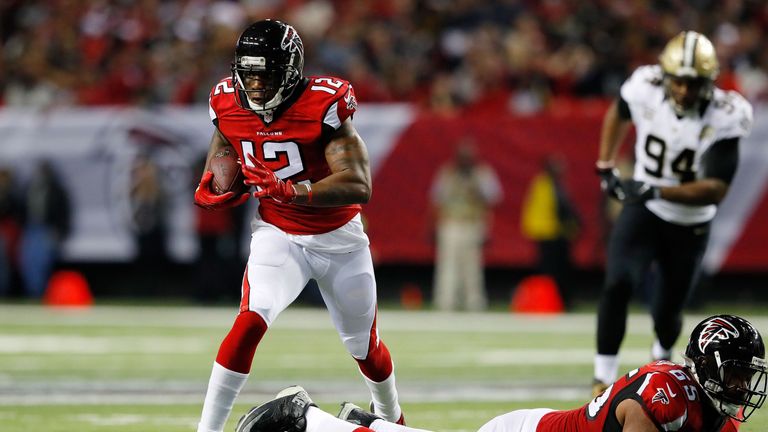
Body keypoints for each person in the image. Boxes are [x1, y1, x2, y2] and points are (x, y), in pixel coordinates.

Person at [193, 20, 405, 432]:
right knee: (250, 320)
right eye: (248, 73)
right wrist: (216, 185)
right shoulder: (226, 101)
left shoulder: (322, 105)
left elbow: (359, 184)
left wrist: (294, 191)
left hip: (339, 238)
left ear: (289, 71)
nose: (254, 85)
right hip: (278, 234)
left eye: (264, 74)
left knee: (365, 348)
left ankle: (394, 419)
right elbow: (222, 151)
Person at [234, 314, 767, 432]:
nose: (745, 385)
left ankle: (369, 424)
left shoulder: (717, 415)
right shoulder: (662, 398)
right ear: (710, 367)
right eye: (739, 373)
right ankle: (303, 418)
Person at [592, 31, 753, 395]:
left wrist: (653, 188)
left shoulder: (728, 113)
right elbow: (618, 113)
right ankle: (602, 376)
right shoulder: (643, 85)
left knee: (666, 313)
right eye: (678, 81)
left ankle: (660, 358)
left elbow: (715, 190)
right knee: (617, 283)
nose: (684, 91)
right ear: (665, 77)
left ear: (709, 82)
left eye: (693, 83)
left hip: (688, 223)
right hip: (644, 209)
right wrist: (605, 164)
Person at [429, 139, 502, 311]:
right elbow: (437, 200)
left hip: (472, 223)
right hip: (451, 223)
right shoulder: (447, 173)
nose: (465, 161)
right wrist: (433, 225)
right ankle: (445, 302)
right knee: (448, 264)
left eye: (468, 157)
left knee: (473, 266)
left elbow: (494, 198)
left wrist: (477, 187)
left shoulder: (482, 173)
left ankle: (474, 302)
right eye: (462, 157)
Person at [520, 156, 580, 308]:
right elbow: (561, 209)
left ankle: (559, 301)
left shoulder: (551, 184)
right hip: (549, 233)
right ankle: (552, 301)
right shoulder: (545, 185)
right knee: (552, 271)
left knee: (558, 270)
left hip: (553, 232)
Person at [18, 160, 71, 297]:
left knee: (44, 263)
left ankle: (43, 294)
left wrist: (60, 232)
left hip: (47, 230)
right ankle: (32, 293)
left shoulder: (57, 190)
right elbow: (21, 209)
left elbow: (64, 213)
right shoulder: (29, 187)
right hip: (31, 229)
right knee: (29, 264)